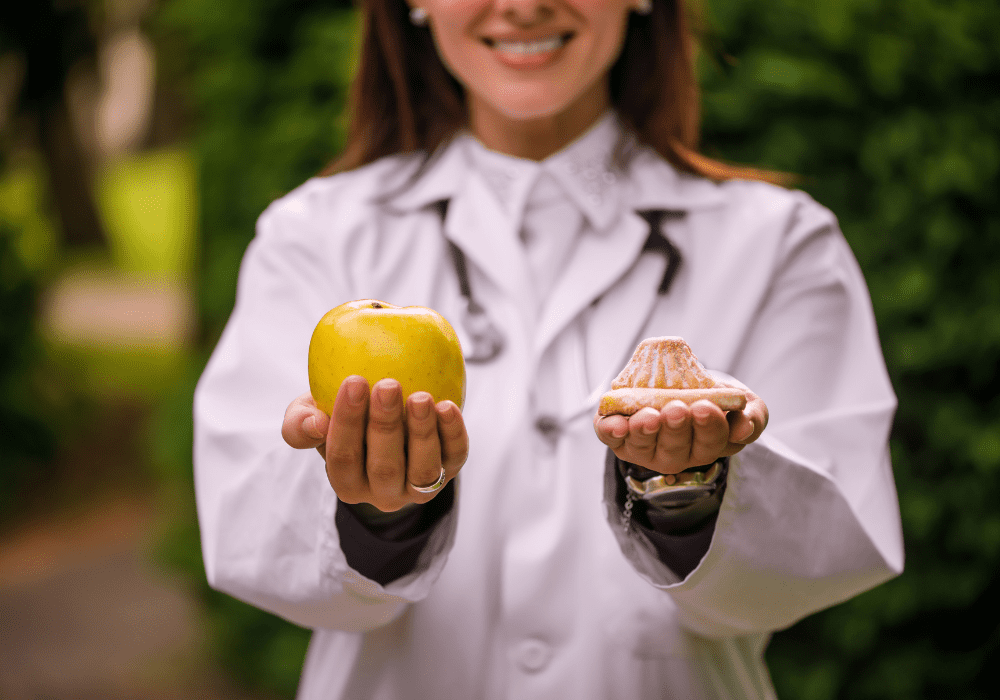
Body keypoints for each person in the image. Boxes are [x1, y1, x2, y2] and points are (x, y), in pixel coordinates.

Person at [193, 0, 904, 697]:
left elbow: (822, 551)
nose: (523, 7)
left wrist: (685, 504)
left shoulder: (779, 245)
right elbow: (249, 536)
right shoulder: (312, 236)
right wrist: (382, 516)